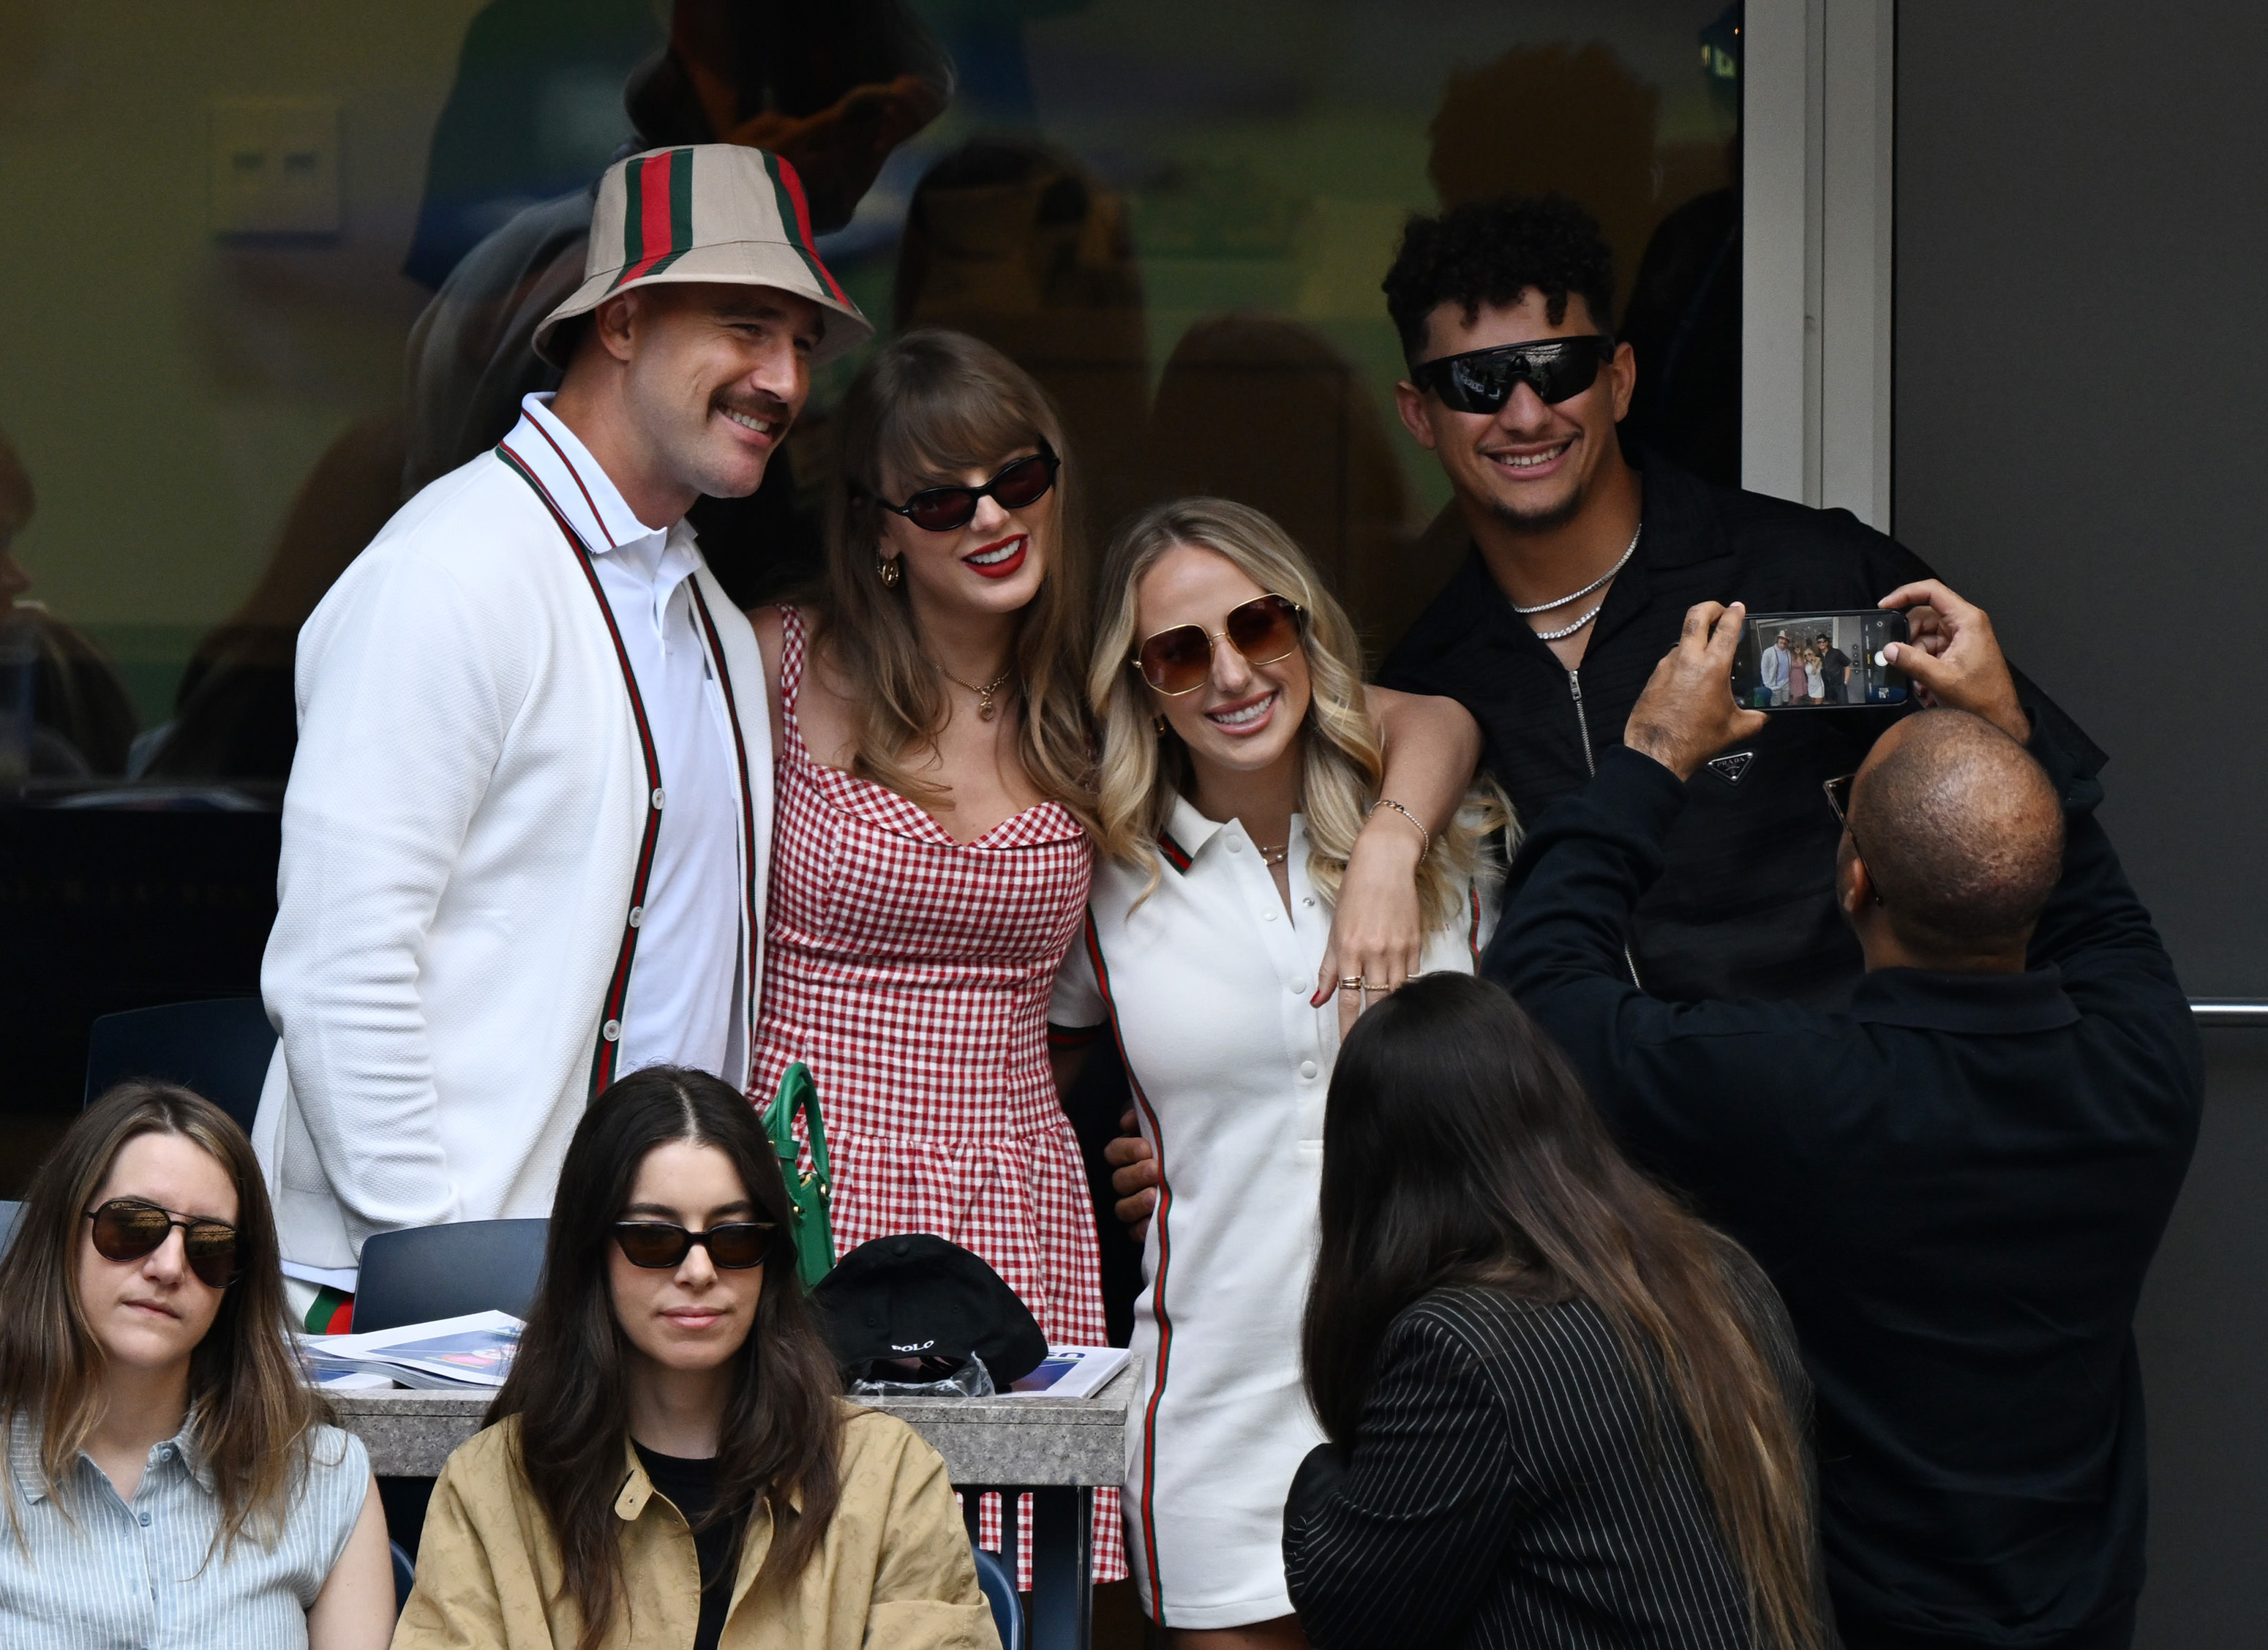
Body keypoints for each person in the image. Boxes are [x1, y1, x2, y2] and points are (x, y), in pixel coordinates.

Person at [747, 331, 1476, 1581]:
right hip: (804, 1173)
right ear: (877, 527)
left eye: (1017, 478)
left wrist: (1388, 854)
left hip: (1013, 1196)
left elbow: (1421, 714)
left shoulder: (1101, 698)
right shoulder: (774, 663)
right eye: (941, 495)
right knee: (795, 1571)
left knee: (1004, 1585)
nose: (988, 515)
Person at [1485, 586, 2203, 1649]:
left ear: (1856, 877)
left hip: (1853, 1614)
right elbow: (2096, 902)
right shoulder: (2147, 1062)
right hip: (2082, 1609)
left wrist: (1650, 755)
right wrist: (2008, 723)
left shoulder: (1787, 1090)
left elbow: (1540, 986)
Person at [255, 143, 868, 1330]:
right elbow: (342, 971)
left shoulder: (708, 620)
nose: (786, 380)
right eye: (747, 327)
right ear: (624, 321)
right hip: (435, 1327)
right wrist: (439, 1274)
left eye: (803, 344)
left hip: (621, 1315)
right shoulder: (450, 573)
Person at [1373, 193, 2101, 1007]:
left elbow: (2026, 821)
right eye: (1475, 381)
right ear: (1419, 414)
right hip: (1589, 1125)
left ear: (1617, 380)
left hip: (1837, 1109)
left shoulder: (1800, 577)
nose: (1524, 412)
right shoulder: (1436, 677)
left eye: (1560, 369)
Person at [1045, 498, 1495, 1645]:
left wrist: (1390, 849)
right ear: (1142, 683)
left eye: (1260, 627)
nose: (1233, 673)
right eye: (1182, 651)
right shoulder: (1105, 881)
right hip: (1221, 1402)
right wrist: (1131, 1170)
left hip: (1445, 1392)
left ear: (1308, 634)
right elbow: (1025, 1083)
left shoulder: (1454, 853)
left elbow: (1439, 719)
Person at [1281, 974, 1825, 1650]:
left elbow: (1353, 1608)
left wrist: (1320, 1475)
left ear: (1370, 1174)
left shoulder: (1458, 1347)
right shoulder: (1722, 1273)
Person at [396, 1066, 997, 1650]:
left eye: (735, 1237)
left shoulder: (888, 1477)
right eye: (654, 1238)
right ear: (591, 1254)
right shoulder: (491, 1484)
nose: (700, 1270)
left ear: (772, 1255)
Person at [0, 1082, 392, 1647]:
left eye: (210, 1243)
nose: (168, 1265)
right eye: (133, 1225)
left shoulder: (324, 1476)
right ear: (64, 1235)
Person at [1761, 630, 1793, 706]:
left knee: (1786, 704)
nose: (1784, 641)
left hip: (1786, 684)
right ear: (1778, 639)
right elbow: (1764, 669)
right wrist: (1768, 685)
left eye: (1786, 640)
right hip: (1774, 685)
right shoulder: (1768, 652)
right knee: (1776, 706)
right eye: (1782, 639)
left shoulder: (1788, 652)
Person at [1818, 632, 1850, 705]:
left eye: (1823, 641)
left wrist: (1845, 682)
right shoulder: (1818, 656)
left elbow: (1847, 666)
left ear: (1826, 642)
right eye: (1819, 642)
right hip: (1827, 688)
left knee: (1843, 706)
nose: (1821, 644)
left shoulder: (1836, 652)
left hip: (1839, 686)